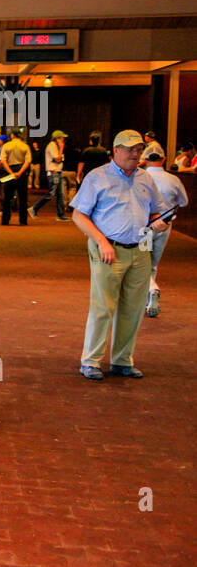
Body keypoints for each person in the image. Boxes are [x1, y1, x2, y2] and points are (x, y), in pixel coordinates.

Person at [70, 130, 171, 380]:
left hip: (140, 249)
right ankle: (91, 361)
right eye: (129, 149)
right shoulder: (97, 177)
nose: (135, 154)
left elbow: (157, 212)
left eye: (138, 149)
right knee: (103, 307)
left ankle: (122, 360)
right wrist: (102, 242)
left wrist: (160, 222)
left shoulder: (146, 179)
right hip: (108, 250)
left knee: (133, 308)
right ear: (115, 151)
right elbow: (78, 215)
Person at [141, 149, 188, 317]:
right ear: (164, 159)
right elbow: (184, 202)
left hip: (144, 227)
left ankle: (151, 289)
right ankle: (148, 298)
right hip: (165, 227)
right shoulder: (173, 179)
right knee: (153, 264)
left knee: (141, 261)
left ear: (144, 159)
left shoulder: (140, 177)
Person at [0, 127, 32, 225]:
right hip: (22, 172)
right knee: (23, 198)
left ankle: (5, 220)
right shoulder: (25, 146)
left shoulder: (6, 146)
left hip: (9, 171)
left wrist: (11, 172)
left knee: (7, 197)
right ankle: (23, 221)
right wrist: (20, 172)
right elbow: (28, 161)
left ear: (12, 135)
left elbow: (3, 160)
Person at [31, 130, 68, 220]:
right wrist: (62, 148)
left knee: (60, 194)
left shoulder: (55, 146)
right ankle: (34, 208)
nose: (63, 139)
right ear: (57, 138)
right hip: (53, 172)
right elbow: (58, 159)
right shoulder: (52, 145)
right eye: (62, 138)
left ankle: (61, 215)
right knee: (51, 193)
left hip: (57, 172)